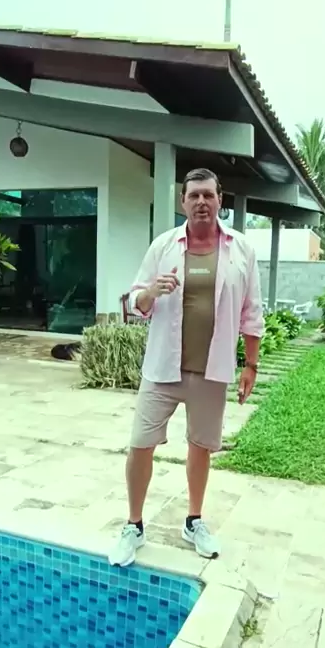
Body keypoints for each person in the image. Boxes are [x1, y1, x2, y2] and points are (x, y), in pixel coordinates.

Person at [109, 168, 264, 567]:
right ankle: (134, 525)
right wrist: (151, 292)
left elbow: (252, 312)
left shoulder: (241, 250)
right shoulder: (163, 246)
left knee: (201, 446)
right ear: (183, 202)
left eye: (208, 195)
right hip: (162, 368)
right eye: (193, 195)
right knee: (140, 444)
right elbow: (135, 303)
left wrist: (251, 365)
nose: (201, 202)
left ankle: (194, 521)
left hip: (211, 371)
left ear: (220, 200)